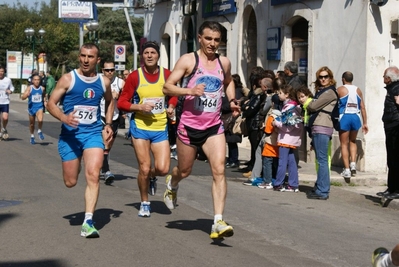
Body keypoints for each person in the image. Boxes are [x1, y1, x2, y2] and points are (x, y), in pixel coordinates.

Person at [162, 21, 239, 239]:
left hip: (213, 126)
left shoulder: (224, 62)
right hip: (189, 126)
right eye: (208, 39)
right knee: (184, 170)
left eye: (216, 40)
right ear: (199, 38)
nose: (213, 44)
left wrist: (232, 100)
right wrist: (190, 90)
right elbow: (167, 87)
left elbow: (228, 81)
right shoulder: (189, 60)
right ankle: (172, 182)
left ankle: (217, 221)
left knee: (219, 170)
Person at [47, 43, 114, 238]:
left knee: (93, 174)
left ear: (97, 60)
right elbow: (51, 104)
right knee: (71, 181)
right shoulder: (68, 79)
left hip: (93, 134)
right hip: (70, 136)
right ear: (79, 57)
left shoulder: (103, 82)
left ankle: (88, 222)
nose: (85, 60)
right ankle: (75, 162)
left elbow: (111, 101)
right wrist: (64, 117)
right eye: (83, 56)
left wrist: (108, 124)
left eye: (90, 57)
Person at [117, 41, 174, 217]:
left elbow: (174, 95)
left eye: (153, 52)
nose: (149, 55)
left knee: (163, 169)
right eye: (146, 52)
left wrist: (171, 106)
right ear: (142, 56)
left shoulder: (167, 74)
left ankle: (151, 176)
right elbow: (122, 102)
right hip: (140, 127)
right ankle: (144, 202)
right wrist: (139, 107)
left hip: (159, 127)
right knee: (144, 167)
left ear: (158, 56)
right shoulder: (135, 76)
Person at [305, 66, 338, 200]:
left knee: (322, 160)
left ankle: (323, 190)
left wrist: (309, 102)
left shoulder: (330, 92)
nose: (323, 79)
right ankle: (320, 187)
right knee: (320, 159)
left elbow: (313, 106)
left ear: (330, 78)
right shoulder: (322, 91)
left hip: (322, 126)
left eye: (326, 77)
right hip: (318, 127)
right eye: (321, 77)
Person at [242, 77, 274, 186]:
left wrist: (246, 110)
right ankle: (256, 176)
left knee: (262, 152)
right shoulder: (265, 96)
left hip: (265, 127)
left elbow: (263, 109)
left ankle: (263, 177)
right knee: (259, 151)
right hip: (263, 126)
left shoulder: (268, 97)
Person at [337, 71, 368, 180]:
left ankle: (346, 170)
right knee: (353, 141)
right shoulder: (358, 90)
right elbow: (363, 107)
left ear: (343, 79)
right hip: (356, 116)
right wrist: (365, 122)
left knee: (344, 144)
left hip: (345, 116)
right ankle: (353, 163)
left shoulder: (340, 89)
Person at [272, 85, 303, 192]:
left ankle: (278, 183)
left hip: (286, 139)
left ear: (287, 94)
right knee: (292, 162)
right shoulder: (296, 107)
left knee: (282, 162)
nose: (278, 95)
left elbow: (288, 127)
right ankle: (293, 184)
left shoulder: (289, 108)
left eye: (280, 93)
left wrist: (276, 122)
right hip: (293, 139)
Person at [100, 61, 125, 185]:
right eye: (107, 70)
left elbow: (127, 98)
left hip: (114, 118)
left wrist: (119, 95)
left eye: (111, 70)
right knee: (105, 144)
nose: (109, 72)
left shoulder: (120, 82)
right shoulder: (98, 81)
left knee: (108, 147)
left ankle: (102, 165)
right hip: (100, 117)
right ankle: (107, 171)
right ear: (102, 70)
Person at [376, 66, 399, 199]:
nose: (383, 78)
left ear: (388, 78)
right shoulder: (392, 88)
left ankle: (396, 189)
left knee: (395, 158)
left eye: (384, 76)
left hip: (396, 127)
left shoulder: (396, 88)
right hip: (390, 126)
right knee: (391, 159)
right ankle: (391, 188)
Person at [222, 74, 245, 168]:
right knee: (230, 141)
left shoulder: (236, 92)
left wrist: (223, 107)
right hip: (229, 118)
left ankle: (234, 160)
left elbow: (230, 105)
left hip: (232, 118)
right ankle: (231, 159)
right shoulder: (237, 91)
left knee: (232, 140)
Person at [258, 99, 280, 189]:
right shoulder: (282, 115)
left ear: (273, 103)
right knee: (276, 163)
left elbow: (268, 130)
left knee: (267, 162)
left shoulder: (272, 116)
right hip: (278, 142)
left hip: (270, 141)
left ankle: (267, 181)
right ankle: (275, 179)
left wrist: (264, 127)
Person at [21, 74, 45, 145]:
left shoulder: (42, 88)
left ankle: (39, 131)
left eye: (38, 80)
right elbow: (22, 97)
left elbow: (44, 96)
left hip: (39, 107)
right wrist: (26, 95)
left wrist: (45, 101)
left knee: (40, 120)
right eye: (35, 80)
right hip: (31, 108)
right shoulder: (29, 88)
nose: (37, 81)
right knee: (32, 124)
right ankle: (32, 136)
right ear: (32, 81)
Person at [0, 66, 15, 140]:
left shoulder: (8, 80)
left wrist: (10, 91)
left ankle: (4, 128)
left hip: (5, 101)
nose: (1, 73)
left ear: (4, 72)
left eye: (2, 71)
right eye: (0, 71)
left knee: (5, 118)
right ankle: (0, 133)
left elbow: (12, 87)